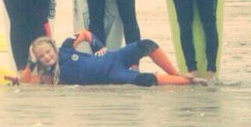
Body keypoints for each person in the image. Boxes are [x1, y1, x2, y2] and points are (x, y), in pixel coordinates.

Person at [14, 32, 201, 86]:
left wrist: (99, 46)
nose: (47, 57)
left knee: (147, 44)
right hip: (113, 74)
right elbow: (25, 81)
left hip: (115, 57)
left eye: (48, 52)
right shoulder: (49, 75)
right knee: (146, 80)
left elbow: (85, 34)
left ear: (53, 48)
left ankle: (177, 74)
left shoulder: (66, 47)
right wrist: (31, 62)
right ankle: (189, 82)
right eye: (41, 56)